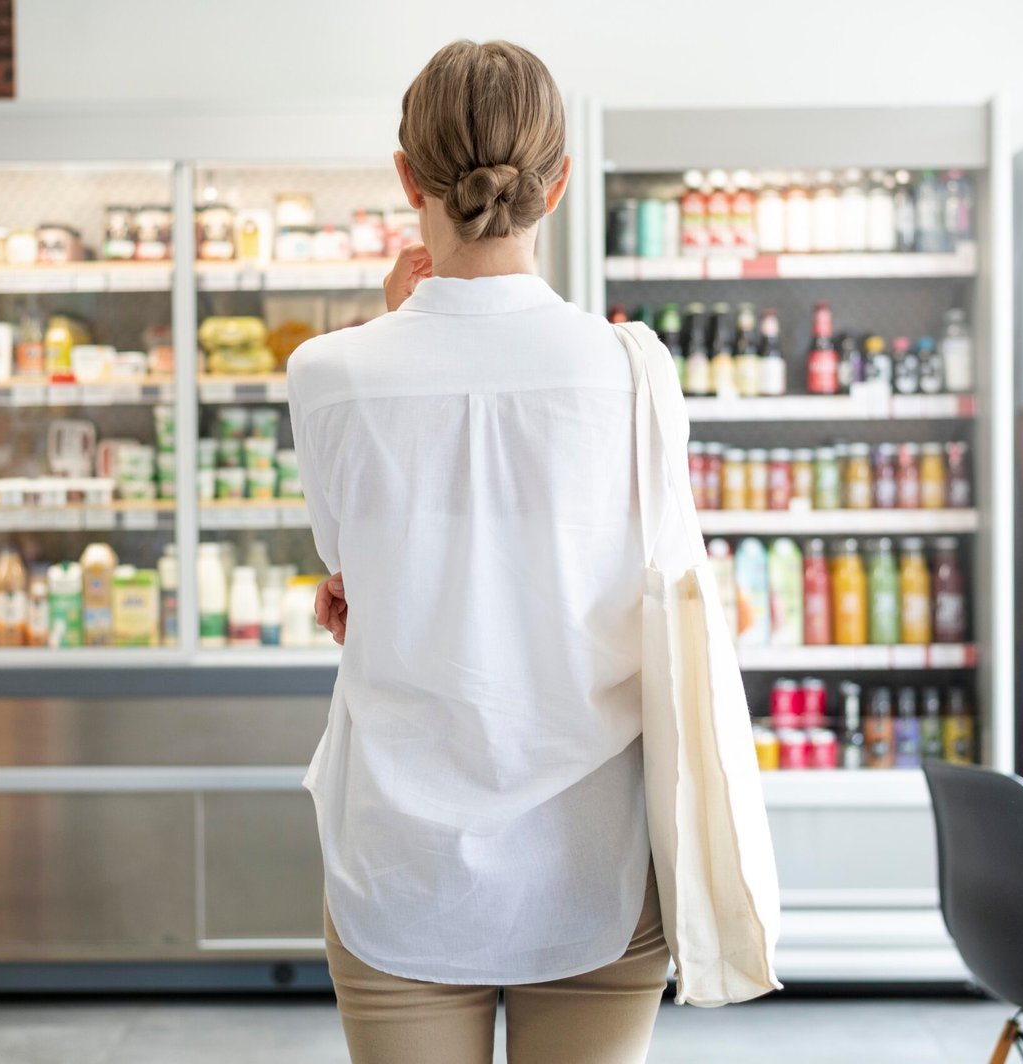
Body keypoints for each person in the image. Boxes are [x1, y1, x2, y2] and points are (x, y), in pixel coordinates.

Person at [286, 39, 697, 1064]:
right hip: (595, 849)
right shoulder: (633, 370)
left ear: (404, 179)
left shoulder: (329, 372)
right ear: (556, 184)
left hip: (400, 852)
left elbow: (350, 566)